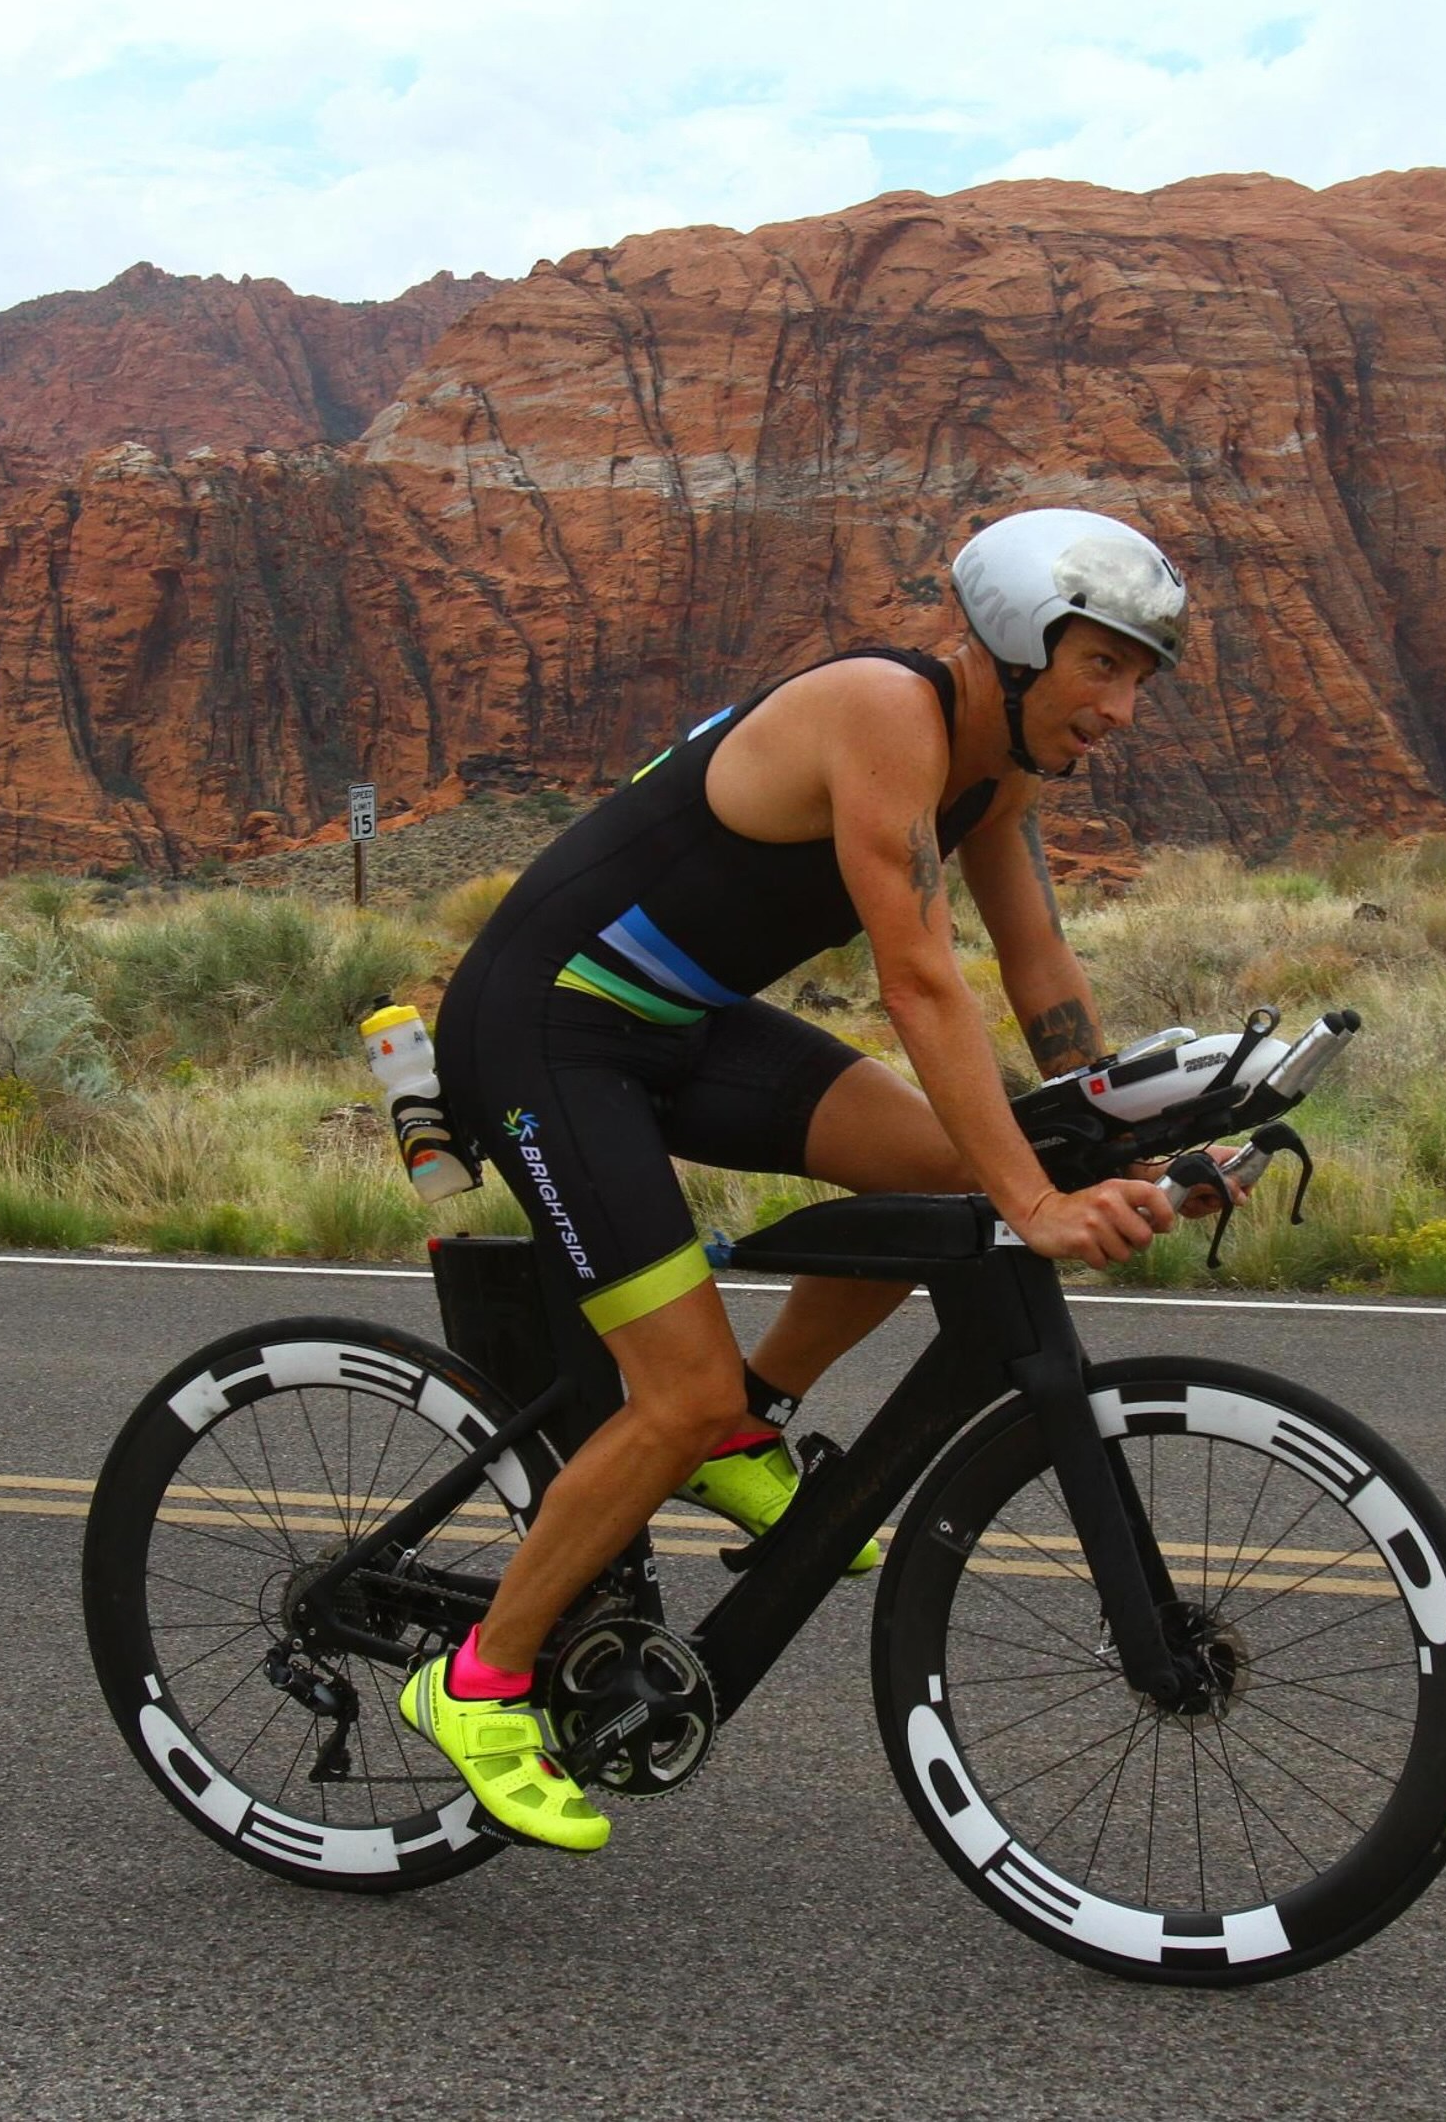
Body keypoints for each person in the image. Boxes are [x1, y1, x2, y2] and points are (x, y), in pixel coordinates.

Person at [403, 506, 1198, 1851]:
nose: (1122, 708)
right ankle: (478, 1678)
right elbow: (920, 976)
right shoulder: (884, 712)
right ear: (1016, 642)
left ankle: (750, 1418)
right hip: (546, 1026)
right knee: (681, 1382)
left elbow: (1040, 971)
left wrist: (1118, 1140)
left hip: (676, 1025)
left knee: (955, 1168)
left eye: (1141, 679)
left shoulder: (993, 779)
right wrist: (1038, 1201)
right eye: (1104, 666)